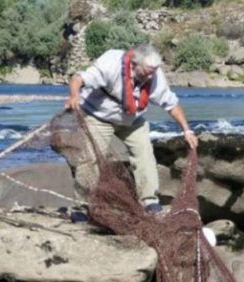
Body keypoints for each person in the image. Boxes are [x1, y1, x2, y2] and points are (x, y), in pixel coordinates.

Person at [64, 43, 198, 217]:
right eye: (148, 70)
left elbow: (171, 104)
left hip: (132, 120)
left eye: (154, 70)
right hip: (98, 116)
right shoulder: (111, 63)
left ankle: (150, 201)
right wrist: (74, 96)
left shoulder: (155, 75)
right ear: (134, 64)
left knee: (145, 154)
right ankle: (80, 207)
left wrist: (187, 130)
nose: (152, 75)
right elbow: (78, 78)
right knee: (91, 159)